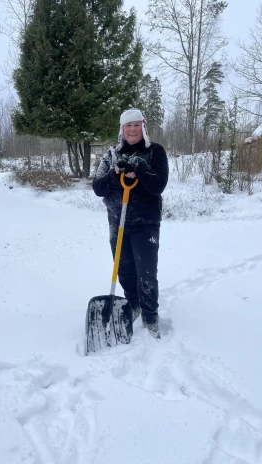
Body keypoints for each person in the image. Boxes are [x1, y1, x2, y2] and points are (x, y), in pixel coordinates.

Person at [92, 108, 169, 339]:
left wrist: (141, 168)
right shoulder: (111, 154)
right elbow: (97, 187)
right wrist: (114, 178)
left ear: (143, 127)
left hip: (146, 223)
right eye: (128, 126)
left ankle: (150, 315)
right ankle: (133, 304)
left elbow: (159, 185)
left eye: (137, 125)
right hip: (118, 222)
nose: (132, 129)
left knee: (146, 271)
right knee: (124, 269)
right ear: (122, 130)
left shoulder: (155, 151)